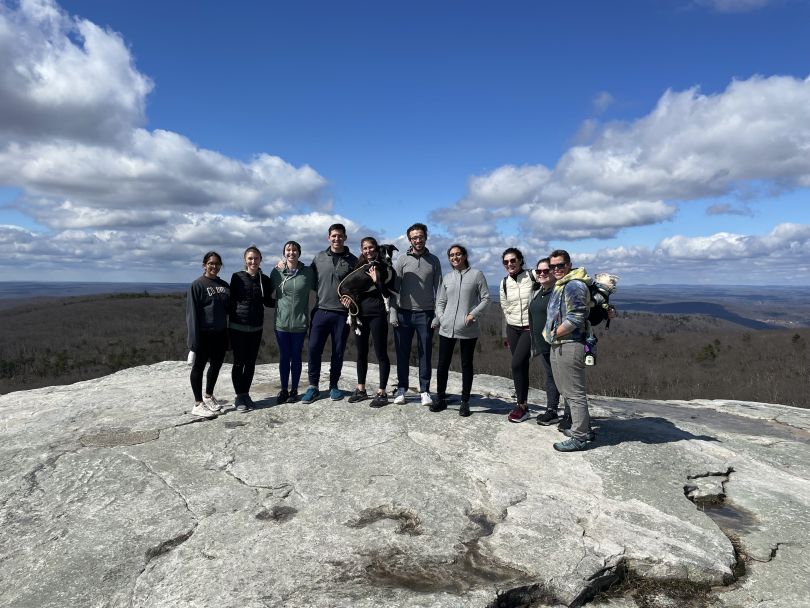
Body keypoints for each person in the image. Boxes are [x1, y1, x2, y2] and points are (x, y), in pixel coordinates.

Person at [543, 249, 595, 452]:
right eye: (553, 266)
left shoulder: (574, 284)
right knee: (566, 389)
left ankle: (580, 437)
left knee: (574, 392)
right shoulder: (562, 284)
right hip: (560, 343)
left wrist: (554, 333)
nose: (556, 269)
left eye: (560, 265)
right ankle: (583, 428)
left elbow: (576, 317)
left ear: (569, 265)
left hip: (570, 343)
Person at [301, 223, 358, 404]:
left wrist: (351, 299)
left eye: (340, 236)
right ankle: (313, 386)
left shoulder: (353, 260)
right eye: (333, 236)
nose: (336, 239)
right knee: (314, 349)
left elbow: (358, 286)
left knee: (338, 351)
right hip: (321, 311)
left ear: (345, 238)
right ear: (328, 238)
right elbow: (306, 277)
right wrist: (283, 264)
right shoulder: (319, 258)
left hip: (342, 314)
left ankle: (334, 385)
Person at [431, 244, 490, 416]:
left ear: (464, 256)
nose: (454, 258)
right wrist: (442, 318)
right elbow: (440, 302)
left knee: (466, 365)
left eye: (458, 254)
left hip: (468, 328)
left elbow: (486, 298)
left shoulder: (477, 274)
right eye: (451, 255)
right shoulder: (447, 277)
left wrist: (473, 315)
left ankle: (465, 402)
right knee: (442, 365)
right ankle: (440, 398)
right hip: (447, 328)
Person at [391, 222, 443, 406]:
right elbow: (394, 289)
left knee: (425, 353)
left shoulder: (434, 260)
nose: (418, 240)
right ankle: (401, 389)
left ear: (425, 237)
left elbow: (440, 289)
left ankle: (425, 390)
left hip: (426, 314)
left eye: (420, 237)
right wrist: (392, 312)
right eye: (414, 238)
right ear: (409, 240)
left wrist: (438, 314)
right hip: (404, 313)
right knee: (402, 353)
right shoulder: (402, 260)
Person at [343, 237, 396, 408]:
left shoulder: (385, 269)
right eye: (365, 248)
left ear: (377, 249)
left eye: (371, 248)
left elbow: (387, 293)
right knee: (361, 353)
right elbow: (350, 289)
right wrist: (347, 302)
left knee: (381, 353)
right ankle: (361, 389)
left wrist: (377, 281)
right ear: (362, 250)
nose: (368, 251)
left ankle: (382, 392)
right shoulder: (358, 268)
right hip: (359, 314)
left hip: (378, 313)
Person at [229, 245, 274, 412]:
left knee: (250, 363)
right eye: (250, 258)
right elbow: (230, 301)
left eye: (256, 258)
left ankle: (246, 393)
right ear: (245, 260)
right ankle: (239, 396)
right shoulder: (237, 277)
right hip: (237, 326)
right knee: (238, 362)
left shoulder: (265, 279)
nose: (253, 261)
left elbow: (268, 302)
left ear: (260, 260)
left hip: (256, 326)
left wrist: (287, 302)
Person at [270, 240, 315, 405]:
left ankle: (294, 390)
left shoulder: (308, 272)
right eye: (288, 250)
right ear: (284, 253)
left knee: (296, 357)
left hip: (299, 323)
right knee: (284, 357)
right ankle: (283, 389)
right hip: (281, 323)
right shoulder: (276, 273)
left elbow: (321, 287)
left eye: (294, 250)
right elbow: (266, 292)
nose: (291, 252)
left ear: (299, 253)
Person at [186, 251, 230, 419]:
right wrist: (193, 343)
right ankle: (198, 404)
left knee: (216, 366)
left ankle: (208, 396)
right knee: (199, 368)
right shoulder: (197, 285)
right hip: (203, 334)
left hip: (220, 333)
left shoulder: (224, 285)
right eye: (211, 263)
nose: (214, 266)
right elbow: (192, 315)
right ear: (204, 265)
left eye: (217, 263)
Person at [499, 247, 535, 423]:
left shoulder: (533, 276)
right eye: (506, 262)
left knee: (516, 364)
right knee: (521, 366)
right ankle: (523, 406)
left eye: (513, 260)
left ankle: (521, 406)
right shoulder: (504, 282)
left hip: (530, 328)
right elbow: (505, 308)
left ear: (520, 260)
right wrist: (504, 334)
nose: (509, 264)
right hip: (512, 328)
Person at [528, 257, 562, 426]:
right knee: (551, 377)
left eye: (546, 270)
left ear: (554, 272)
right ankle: (552, 410)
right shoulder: (539, 291)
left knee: (563, 379)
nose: (542, 273)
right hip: (543, 345)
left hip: (558, 344)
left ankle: (569, 415)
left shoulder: (558, 292)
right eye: (539, 271)